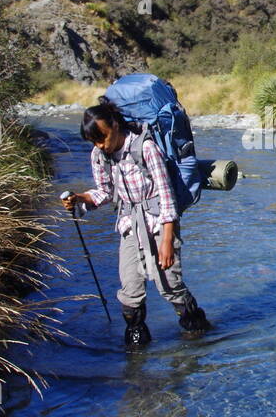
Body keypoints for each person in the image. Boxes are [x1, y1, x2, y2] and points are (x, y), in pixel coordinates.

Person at [62, 99, 210, 348]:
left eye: (103, 138)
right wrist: (81, 198)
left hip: (158, 224)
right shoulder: (99, 155)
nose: (100, 145)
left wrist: (166, 241)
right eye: (95, 141)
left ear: (115, 125)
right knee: (130, 293)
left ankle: (198, 335)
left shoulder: (146, 147)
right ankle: (136, 356)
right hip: (129, 225)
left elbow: (166, 196)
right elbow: (105, 192)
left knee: (170, 287)